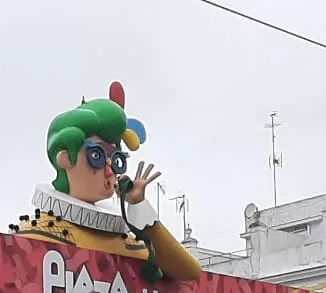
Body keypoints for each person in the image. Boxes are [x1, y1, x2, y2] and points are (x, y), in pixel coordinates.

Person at [19, 82, 203, 282]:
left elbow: (189, 272)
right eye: (96, 155)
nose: (109, 171)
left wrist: (138, 206)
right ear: (65, 159)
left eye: (116, 159)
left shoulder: (127, 245)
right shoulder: (37, 235)